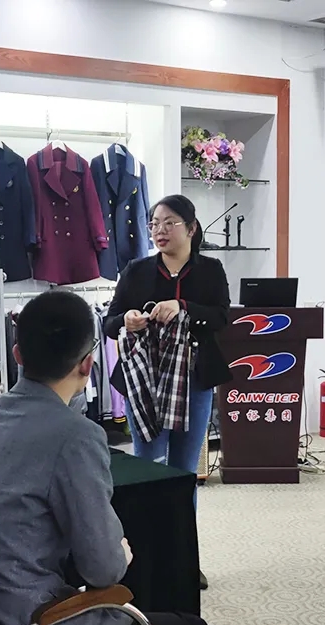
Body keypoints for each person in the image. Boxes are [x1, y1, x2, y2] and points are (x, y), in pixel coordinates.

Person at [0, 290, 213, 625]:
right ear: (88, 364)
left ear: (18, 355)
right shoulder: (75, 436)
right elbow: (104, 570)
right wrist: (118, 553)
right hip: (36, 620)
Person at [105, 194, 231, 590]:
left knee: (182, 473)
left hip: (193, 379)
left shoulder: (210, 270)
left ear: (191, 228)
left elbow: (222, 317)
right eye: (154, 224)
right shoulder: (137, 270)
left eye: (169, 222)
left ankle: (183, 560)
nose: (159, 231)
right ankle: (145, 559)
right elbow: (109, 322)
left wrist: (183, 306)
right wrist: (126, 319)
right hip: (145, 379)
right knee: (148, 469)